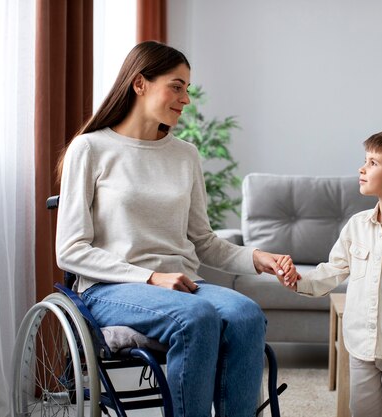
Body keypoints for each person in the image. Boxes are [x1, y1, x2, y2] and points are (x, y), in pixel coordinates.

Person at [55, 41, 292, 417]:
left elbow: (204, 241)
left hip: (181, 286)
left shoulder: (185, 155)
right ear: (140, 84)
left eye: (187, 89)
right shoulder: (91, 149)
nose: (185, 98)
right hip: (110, 288)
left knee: (246, 314)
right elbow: (70, 249)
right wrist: (151, 277)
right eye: (176, 86)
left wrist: (256, 257)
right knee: (196, 319)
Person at [280, 130, 382, 417]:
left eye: (372, 162)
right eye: (365, 160)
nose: (362, 168)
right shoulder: (356, 226)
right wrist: (299, 281)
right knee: (362, 410)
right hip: (360, 345)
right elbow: (335, 268)